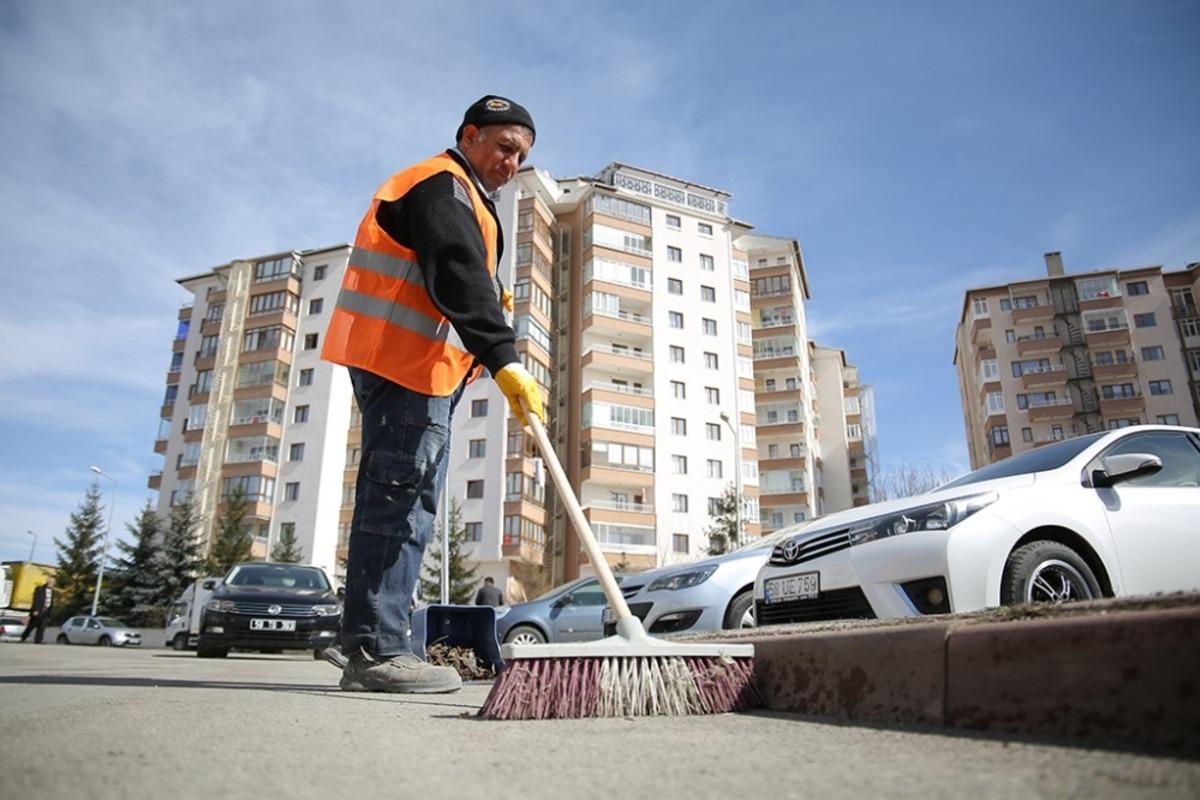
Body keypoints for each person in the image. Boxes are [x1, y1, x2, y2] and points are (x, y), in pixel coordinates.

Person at [321, 95, 544, 694]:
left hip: (424, 372)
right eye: (503, 147)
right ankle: (377, 649)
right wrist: (504, 359)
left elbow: (464, 282)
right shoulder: (442, 186)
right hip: (404, 367)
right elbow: (456, 272)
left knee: (408, 500)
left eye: (521, 156)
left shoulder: (465, 196)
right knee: (399, 500)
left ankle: (372, 640)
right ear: (469, 135)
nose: (511, 163)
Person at [21, 576, 54, 644]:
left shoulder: (52, 591)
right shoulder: (40, 589)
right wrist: (35, 610)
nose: (51, 583)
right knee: (31, 626)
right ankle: (23, 637)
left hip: (46, 611)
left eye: (52, 582)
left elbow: (51, 602)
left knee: (42, 627)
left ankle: (38, 640)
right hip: (38, 611)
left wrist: (49, 614)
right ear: (47, 581)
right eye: (50, 581)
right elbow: (36, 600)